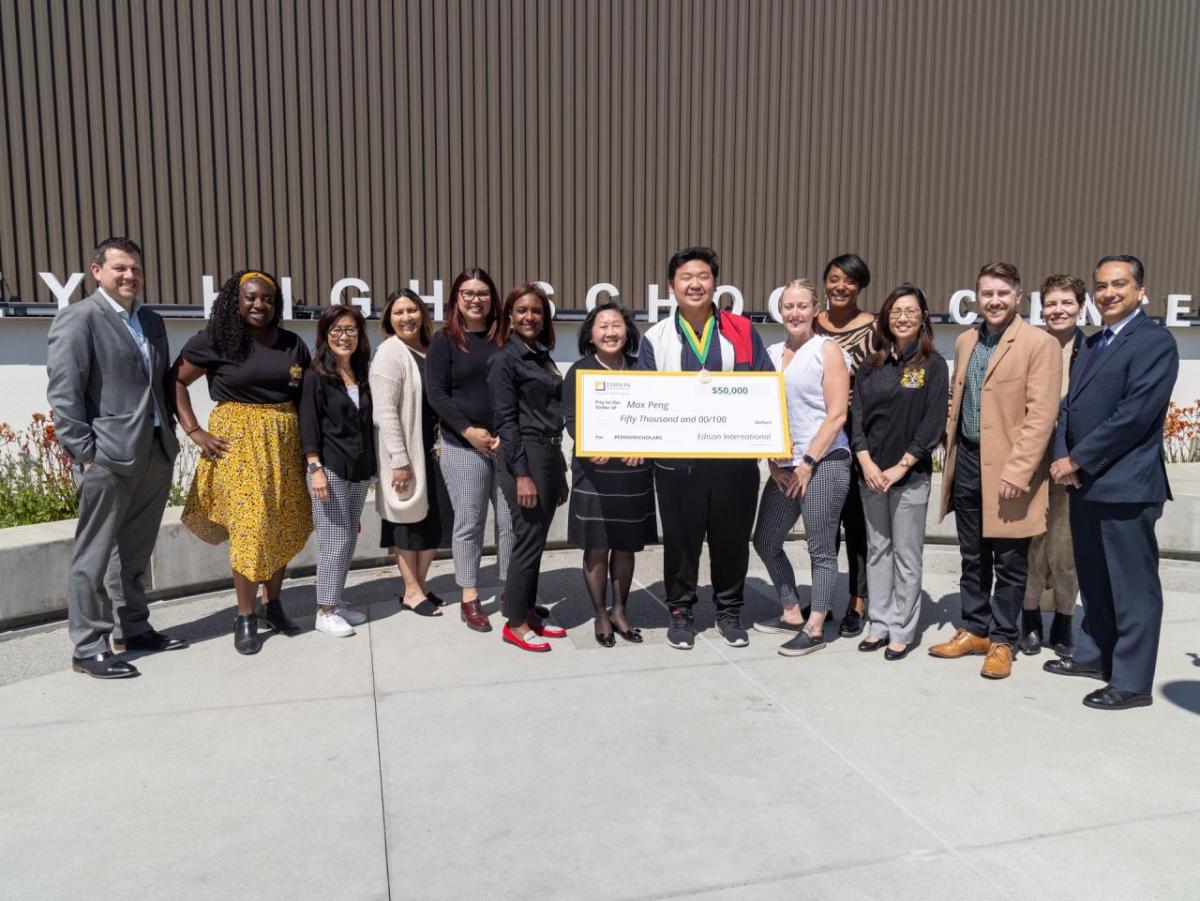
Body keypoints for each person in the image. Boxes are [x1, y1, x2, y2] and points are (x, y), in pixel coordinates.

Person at [46, 236, 186, 678]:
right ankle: (88, 646)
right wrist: (85, 454)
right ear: (97, 271)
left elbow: (158, 383)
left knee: (135, 551)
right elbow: (64, 394)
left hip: (154, 451)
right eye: (120, 268)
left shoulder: (151, 320)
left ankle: (135, 627)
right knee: (95, 554)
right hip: (107, 457)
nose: (130, 276)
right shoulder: (78, 318)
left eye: (136, 269)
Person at [1047, 255, 1179, 710]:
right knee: (1096, 582)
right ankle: (1094, 656)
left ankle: (1132, 681)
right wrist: (1062, 455)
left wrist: (1077, 459)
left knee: (1132, 588)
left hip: (1125, 486)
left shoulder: (1154, 342)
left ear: (1141, 290)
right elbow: (1069, 406)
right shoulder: (1096, 342)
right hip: (1085, 484)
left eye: (1118, 285)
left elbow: (1134, 416)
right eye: (1101, 286)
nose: (1108, 293)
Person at [639, 246, 774, 650]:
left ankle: (729, 611)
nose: (695, 284)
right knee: (681, 539)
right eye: (686, 278)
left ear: (716, 283)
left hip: (734, 462)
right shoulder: (655, 338)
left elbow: (764, 389)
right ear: (671, 287)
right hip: (677, 465)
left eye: (703, 276)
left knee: (731, 538)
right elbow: (646, 399)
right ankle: (680, 613)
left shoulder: (742, 330)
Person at [174, 270, 314, 655]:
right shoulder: (216, 340)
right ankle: (245, 615)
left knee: (281, 522)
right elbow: (175, 381)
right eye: (251, 297)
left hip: (284, 445)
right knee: (251, 528)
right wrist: (194, 430)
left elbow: (306, 397)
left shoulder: (292, 344)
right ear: (235, 301)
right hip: (237, 444)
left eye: (267, 299)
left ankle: (274, 606)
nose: (259, 305)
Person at [932, 262, 1060, 679]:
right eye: (987, 293)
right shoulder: (968, 340)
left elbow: (1041, 416)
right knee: (972, 556)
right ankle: (975, 629)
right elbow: (959, 398)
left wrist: (1018, 472)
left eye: (1003, 293)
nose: (995, 301)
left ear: (1019, 296)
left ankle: (1004, 639)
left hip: (1009, 469)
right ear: (977, 297)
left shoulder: (1039, 344)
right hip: (967, 460)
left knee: (1009, 561)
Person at [750, 279, 852, 657]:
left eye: (802, 305)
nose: (794, 313)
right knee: (765, 539)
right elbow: (760, 412)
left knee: (820, 548)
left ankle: (815, 627)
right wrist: (773, 461)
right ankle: (792, 610)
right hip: (784, 466)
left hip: (824, 462)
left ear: (815, 308)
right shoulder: (771, 353)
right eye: (788, 306)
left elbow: (837, 413)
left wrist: (808, 462)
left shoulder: (827, 350)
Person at [851, 285, 949, 660]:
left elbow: (932, 421)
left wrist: (900, 466)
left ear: (923, 316)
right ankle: (878, 623)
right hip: (871, 474)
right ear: (885, 318)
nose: (903, 317)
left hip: (910, 476)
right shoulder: (871, 365)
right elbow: (856, 415)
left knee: (907, 555)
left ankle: (902, 630)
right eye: (896, 311)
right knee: (877, 551)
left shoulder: (932, 366)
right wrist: (866, 461)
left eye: (911, 311)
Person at [425, 268, 516, 633]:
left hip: (506, 442)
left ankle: (513, 591)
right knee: (470, 520)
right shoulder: (444, 340)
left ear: (492, 297)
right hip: (462, 444)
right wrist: (468, 430)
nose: (475, 299)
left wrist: (506, 433)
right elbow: (438, 395)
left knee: (511, 522)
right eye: (467, 293)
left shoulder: (505, 337)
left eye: (481, 293)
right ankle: (470, 596)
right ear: (456, 299)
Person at [563, 301, 656, 647]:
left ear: (628, 333)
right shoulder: (579, 371)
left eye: (616, 325)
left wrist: (643, 443)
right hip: (595, 472)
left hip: (632, 474)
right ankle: (600, 613)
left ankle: (620, 609)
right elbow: (572, 419)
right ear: (590, 333)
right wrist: (588, 443)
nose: (610, 332)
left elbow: (653, 415)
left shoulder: (641, 370)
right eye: (602, 326)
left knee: (626, 545)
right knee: (597, 545)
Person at [489, 283, 570, 652]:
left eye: (536, 311)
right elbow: (507, 422)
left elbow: (551, 414)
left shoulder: (540, 354)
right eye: (521, 310)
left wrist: (562, 467)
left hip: (549, 454)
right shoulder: (505, 360)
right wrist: (522, 474)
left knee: (536, 540)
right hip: (525, 455)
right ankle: (516, 623)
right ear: (509, 315)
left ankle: (528, 610)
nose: (529, 317)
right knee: (528, 540)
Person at [1018, 275, 1085, 656]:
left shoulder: (1091, 351)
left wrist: (1075, 458)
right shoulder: (1030, 345)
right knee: (1029, 541)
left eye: (1067, 303)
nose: (1058, 310)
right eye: (1052, 304)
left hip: (1070, 465)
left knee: (1064, 545)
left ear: (1080, 307)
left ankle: (1062, 620)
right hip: (1030, 461)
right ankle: (1028, 619)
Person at [373, 289, 451, 616]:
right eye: (399, 312)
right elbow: (385, 411)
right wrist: (400, 462)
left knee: (435, 520)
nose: (407, 317)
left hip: (437, 450)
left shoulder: (430, 349)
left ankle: (418, 586)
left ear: (422, 314)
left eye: (412, 310)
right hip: (407, 452)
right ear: (389, 320)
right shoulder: (390, 353)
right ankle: (411, 589)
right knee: (406, 521)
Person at [300, 306, 376, 638]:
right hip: (328, 469)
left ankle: (337, 601)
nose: (343, 337)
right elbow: (309, 426)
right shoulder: (315, 375)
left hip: (357, 469)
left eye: (350, 330)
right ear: (325, 336)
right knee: (335, 540)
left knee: (347, 540)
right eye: (336, 330)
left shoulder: (361, 374)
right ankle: (325, 610)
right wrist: (314, 467)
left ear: (359, 336)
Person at [815, 253, 875, 638]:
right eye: (834, 279)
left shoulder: (873, 328)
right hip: (816, 436)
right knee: (823, 524)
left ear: (860, 285)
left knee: (856, 526)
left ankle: (857, 601)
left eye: (849, 281)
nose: (841, 287)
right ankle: (823, 597)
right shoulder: (812, 325)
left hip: (855, 438)